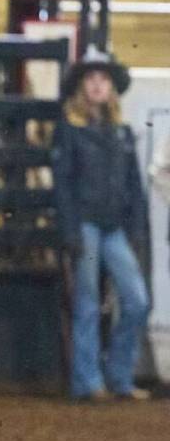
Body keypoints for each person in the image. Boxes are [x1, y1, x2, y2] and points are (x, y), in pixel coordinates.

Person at [51, 47, 151, 401]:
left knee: (137, 301)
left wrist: (136, 228)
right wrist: (70, 231)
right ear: (83, 87)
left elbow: (134, 186)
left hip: (111, 227)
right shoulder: (70, 130)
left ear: (110, 88)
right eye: (91, 79)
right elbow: (62, 185)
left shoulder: (120, 133)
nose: (97, 86)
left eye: (102, 79)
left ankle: (115, 378)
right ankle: (90, 381)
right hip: (86, 226)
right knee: (89, 302)